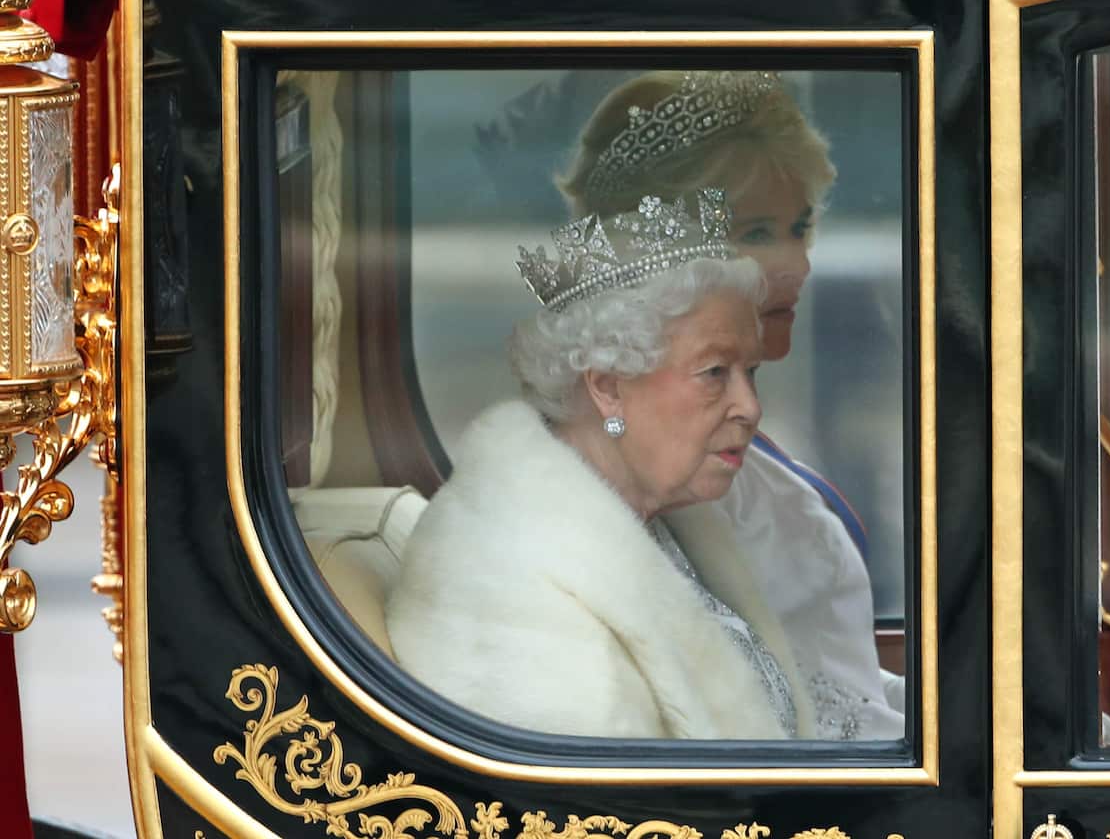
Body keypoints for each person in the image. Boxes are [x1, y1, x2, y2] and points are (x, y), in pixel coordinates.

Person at [387, 188, 816, 739]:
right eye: (715, 373)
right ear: (609, 387)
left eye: (750, 373)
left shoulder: (664, 523)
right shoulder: (512, 591)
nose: (750, 408)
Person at [558, 70, 906, 740]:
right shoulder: (646, 475)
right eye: (755, 234)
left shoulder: (726, 455)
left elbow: (840, 683)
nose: (795, 265)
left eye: (800, 228)